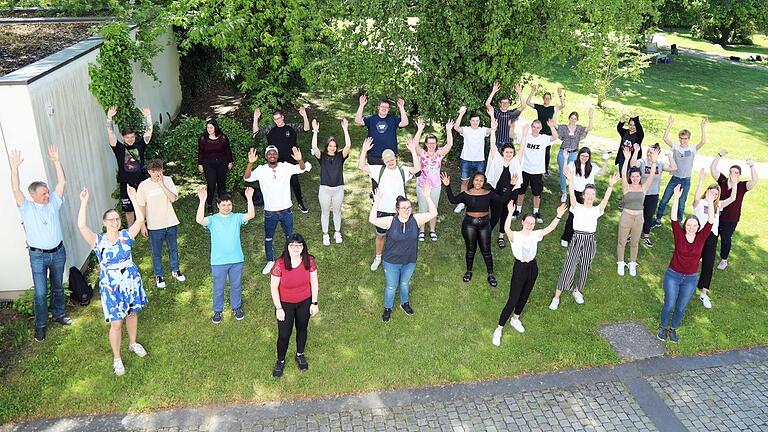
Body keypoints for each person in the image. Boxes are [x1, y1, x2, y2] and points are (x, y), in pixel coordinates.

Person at [77, 186, 147, 376]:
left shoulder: (126, 236)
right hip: (111, 287)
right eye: (111, 219)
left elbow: (140, 219)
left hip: (130, 281)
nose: (115, 221)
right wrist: (83, 203)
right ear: (104, 222)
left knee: (132, 314)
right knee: (116, 323)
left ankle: (133, 343)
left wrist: (133, 198)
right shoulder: (97, 241)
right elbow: (82, 226)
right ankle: (117, 358)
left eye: (117, 218)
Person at [9, 146, 72, 342]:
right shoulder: (26, 207)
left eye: (47, 192)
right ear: (34, 195)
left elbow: (62, 182)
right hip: (38, 256)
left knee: (57, 287)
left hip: (58, 252)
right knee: (40, 292)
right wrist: (14, 168)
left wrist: (56, 161)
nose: (48, 195)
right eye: (44, 193)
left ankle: (59, 315)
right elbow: (15, 189)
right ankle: (41, 325)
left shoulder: (53, 202)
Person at [492, 203, 567, 345]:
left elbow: (550, 228)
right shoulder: (516, 235)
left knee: (525, 295)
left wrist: (558, 215)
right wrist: (509, 212)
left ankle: (515, 319)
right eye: (527, 222)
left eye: (532, 223)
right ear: (522, 222)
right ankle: (499, 330)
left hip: (532, 267)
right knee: (512, 300)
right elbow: (506, 228)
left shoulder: (535, 234)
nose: (530, 225)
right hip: (519, 267)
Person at [550, 168, 620, 310]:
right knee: (569, 267)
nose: (589, 196)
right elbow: (571, 195)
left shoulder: (597, 210)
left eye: (592, 194)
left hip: (590, 241)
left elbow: (605, 200)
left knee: (584, 268)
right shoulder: (577, 207)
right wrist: (570, 181)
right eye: (587, 193)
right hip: (577, 239)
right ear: (583, 195)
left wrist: (610, 186)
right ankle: (556, 297)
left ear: (594, 197)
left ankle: (577, 291)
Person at [657, 185, 715, 344]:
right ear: (685, 226)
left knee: (681, 307)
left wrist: (710, 203)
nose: (691, 227)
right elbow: (674, 218)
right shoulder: (679, 235)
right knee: (669, 304)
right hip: (673, 275)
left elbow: (710, 221)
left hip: (690, 279)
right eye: (688, 225)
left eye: (694, 225)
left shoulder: (701, 237)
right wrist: (676, 198)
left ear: (698, 227)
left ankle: (673, 329)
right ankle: (663, 326)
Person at [369, 189, 437, 321]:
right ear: (397, 209)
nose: (407, 210)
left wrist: (428, 196)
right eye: (404, 208)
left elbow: (434, 213)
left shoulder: (416, 219)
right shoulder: (390, 221)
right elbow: (372, 219)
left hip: (409, 260)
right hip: (391, 261)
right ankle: (387, 308)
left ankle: (404, 303)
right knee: (391, 286)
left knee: (405, 283)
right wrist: (376, 203)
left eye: (409, 207)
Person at [244, 145, 312, 275]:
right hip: (270, 212)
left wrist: (299, 159)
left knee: (290, 237)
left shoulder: (285, 167)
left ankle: (291, 259)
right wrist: (250, 163)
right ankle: (270, 261)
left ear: (277, 155)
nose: (272, 155)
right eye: (269, 154)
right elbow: (247, 177)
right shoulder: (261, 170)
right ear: (266, 156)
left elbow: (303, 169)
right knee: (269, 238)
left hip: (286, 210)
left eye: (274, 153)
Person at [358, 136, 421, 271]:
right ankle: (378, 257)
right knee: (380, 236)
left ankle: (399, 257)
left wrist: (413, 151)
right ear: (384, 161)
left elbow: (417, 168)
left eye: (392, 160)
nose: (390, 162)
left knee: (399, 238)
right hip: (382, 210)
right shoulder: (379, 170)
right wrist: (364, 150)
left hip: (399, 212)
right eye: (387, 161)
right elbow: (361, 166)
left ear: (396, 159)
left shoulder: (402, 170)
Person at [196, 187, 256, 324]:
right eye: (223, 205)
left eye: (229, 204)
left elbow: (251, 215)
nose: (226, 207)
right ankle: (217, 311)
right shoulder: (212, 220)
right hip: (218, 261)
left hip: (237, 259)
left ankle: (237, 308)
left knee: (236, 285)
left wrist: (249, 198)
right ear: (218, 205)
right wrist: (202, 201)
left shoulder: (236, 218)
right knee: (219, 287)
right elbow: (199, 220)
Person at [270, 233, 319, 377]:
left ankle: (300, 354)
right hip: (285, 304)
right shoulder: (279, 263)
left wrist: (314, 302)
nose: (295, 248)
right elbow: (273, 287)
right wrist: (278, 308)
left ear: (303, 247)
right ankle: (280, 361)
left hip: (305, 301)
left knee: (302, 329)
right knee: (284, 334)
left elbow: (314, 283)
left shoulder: (309, 261)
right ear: (287, 247)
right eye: (292, 245)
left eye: (299, 245)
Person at [135, 159, 185, 288]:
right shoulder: (143, 186)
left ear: (162, 169)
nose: (156, 173)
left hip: (170, 221)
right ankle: (159, 275)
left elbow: (173, 199)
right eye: (153, 171)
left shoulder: (168, 180)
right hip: (154, 225)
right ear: (149, 172)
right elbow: (141, 206)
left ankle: (176, 270)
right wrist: (142, 224)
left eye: (159, 170)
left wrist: (162, 184)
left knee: (173, 248)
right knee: (156, 251)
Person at [252, 106, 311, 213]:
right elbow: (256, 132)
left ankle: (300, 203)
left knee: (294, 181)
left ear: (282, 117)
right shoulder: (270, 129)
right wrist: (256, 118)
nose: (277, 121)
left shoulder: (291, 127)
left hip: (291, 161)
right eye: (275, 119)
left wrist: (304, 115)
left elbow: (306, 129)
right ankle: (278, 205)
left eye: (279, 118)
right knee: (277, 184)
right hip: (276, 163)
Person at [692, 169, 736, 309]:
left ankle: (703, 292)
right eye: (712, 192)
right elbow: (696, 197)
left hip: (711, 236)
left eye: (717, 194)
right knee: (692, 260)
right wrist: (700, 180)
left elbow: (732, 199)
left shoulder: (718, 205)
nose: (714, 195)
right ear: (707, 191)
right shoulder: (700, 202)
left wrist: (734, 184)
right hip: (698, 234)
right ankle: (685, 282)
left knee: (708, 264)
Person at [653, 116, 708, 225]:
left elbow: (703, 141)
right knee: (664, 200)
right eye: (681, 138)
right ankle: (658, 219)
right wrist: (670, 124)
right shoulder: (676, 147)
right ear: (679, 138)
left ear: (689, 139)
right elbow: (665, 138)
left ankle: (678, 222)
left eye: (685, 138)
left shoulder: (692, 149)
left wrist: (702, 127)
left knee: (682, 203)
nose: (683, 140)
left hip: (686, 181)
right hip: (675, 179)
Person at [709, 149, 759, 270]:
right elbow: (712, 168)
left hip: (731, 218)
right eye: (731, 172)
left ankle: (724, 260)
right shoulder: (722, 181)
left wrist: (751, 165)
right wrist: (719, 155)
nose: (733, 174)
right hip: (717, 214)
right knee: (712, 235)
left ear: (739, 175)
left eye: (736, 173)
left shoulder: (742, 186)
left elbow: (755, 180)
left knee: (725, 239)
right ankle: (707, 254)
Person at [106, 105, 153, 227]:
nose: (130, 139)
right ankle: (132, 230)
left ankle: (147, 225)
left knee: (144, 205)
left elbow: (149, 133)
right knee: (128, 210)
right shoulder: (119, 148)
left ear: (135, 136)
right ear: (123, 137)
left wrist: (148, 116)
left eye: (132, 137)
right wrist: (109, 119)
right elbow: (110, 134)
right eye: (127, 137)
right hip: (125, 184)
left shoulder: (139, 146)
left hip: (141, 182)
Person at [355, 95, 410, 192]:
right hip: (374, 155)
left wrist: (401, 107)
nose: (384, 109)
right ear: (378, 108)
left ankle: (392, 201)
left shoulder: (393, 119)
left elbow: (405, 123)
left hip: (390, 156)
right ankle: (376, 203)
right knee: (376, 181)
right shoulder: (371, 119)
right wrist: (361, 105)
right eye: (382, 107)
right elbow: (358, 121)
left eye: (386, 107)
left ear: (389, 109)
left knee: (391, 179)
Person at [310, 118, 352, 246]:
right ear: (327, 146)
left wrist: (345, 129)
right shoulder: (322, 156)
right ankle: (325, 234)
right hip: (325, 189)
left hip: (338, 189)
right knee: (325, 212)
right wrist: (315, 131)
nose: (332, 148)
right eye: (330, 146)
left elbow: (348, 146)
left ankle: (337, 232)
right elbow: (314, 147)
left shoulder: (340, 156)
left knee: (337, 211)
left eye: (334, 146)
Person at [616, 147, 657, 277]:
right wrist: (627, 159)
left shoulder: (643, 187)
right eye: (633, 176)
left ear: (640, 177)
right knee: (622, 241)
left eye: (637, 176)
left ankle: (632, 263)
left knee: (634, 243)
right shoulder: (626, 187)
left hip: (639, 219)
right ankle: (621, 262)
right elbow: (623, 174)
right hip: (626, 217)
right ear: (630, 177)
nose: (635, 178)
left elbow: (651, 176)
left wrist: (654, 162)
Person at [413, 117, 454, 241]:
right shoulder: (421, 153)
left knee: (433, 208)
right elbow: (414, 144)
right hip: (421, 185)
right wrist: (420, 130)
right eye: (429, 143)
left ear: (436, 144)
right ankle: (421, 231)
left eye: (433, 143)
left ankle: (432, 230)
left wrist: (448, 130)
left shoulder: (439, 153)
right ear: (425, 144)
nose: (431, 145)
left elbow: (450, 144)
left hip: (435, 185)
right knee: (422, 208)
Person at [630, 143, 677, 248]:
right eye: (648, 151)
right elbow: (633, 164)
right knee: (635, 214)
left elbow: (674, 167)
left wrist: (669, 155)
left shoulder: (660, 164)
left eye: (651, 152)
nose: (649, 154)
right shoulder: (642, 162)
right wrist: (636, 151)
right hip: (641, 193)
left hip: (653, 195)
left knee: (648, 215)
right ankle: (631, 233)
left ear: (657, 153)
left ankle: (646, 236)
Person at [486, 120, 524, 247]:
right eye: (506, 152)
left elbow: (522, 148)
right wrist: (493, 130)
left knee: (506, 214)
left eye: (511, 152)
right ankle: (487, 233)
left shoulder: (515, 162)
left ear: (513, 153)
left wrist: (524, 135)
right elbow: (492, 145)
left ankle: (501, 236)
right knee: (495, 215)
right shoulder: (497, 159)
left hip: (511, 193)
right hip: (496, 193)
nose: (509, 154)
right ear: (503, 152)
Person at [512, 119, 559, 223]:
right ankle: (517, 210)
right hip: (524, 169)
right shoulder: (526, 136)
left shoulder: (543, 138)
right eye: (534, 127)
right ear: (531, 127)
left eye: (538, 127)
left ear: (541, 128)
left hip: (537, 171)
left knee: (537, 193)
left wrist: (551, 126)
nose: (536, 129)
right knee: (521, 191)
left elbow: (555, 137)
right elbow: (512, 135)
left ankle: (536, 212)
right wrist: (512, 126)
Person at [559, 147, 602, 247]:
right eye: (582, 155)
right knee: (572, 215)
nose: (584, 158)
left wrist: (606, 160)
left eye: (587, 156)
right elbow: (565, 172)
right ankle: (566, 237)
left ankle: (580, 238)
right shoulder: (573, 164)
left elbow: (602, 172)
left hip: (587, 195)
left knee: (585, 216)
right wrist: (565, 159)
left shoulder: (592, 166)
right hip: (575, 193)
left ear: (589, 157)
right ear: (579, 155)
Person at [452, 106, 491, 213]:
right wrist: (461, 114)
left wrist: (492, 115)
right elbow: (456, 127)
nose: (475, 122)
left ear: (479, 121)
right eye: (473, 121)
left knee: (479, 182)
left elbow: (493, 129)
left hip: (479, 161)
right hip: (466, 160)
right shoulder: (466, 129)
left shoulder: (483, 130)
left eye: (477, 121)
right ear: (470, 121)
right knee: (464, 182)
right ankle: (461, 203)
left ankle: (476, 201)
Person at [555, 108, 594, 202]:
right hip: (563, 152)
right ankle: (564, 192)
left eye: (575, 118)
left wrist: (591, 117)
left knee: (574, 174)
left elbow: (589, 128)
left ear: (577, 120)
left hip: (574, 154)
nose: (573, 120)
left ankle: (572, 190)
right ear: (569, 118)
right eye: (572, 118)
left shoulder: (579, 128)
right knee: (563, 173)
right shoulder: (564, 127)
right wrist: (556, 112)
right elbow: (554, 125)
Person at [525, 84, 565, 175]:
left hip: (548, 133)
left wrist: (560, 94)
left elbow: (563, 105)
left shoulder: (553, 108)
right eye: (545, 98)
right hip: (539, 132)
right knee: (536, 150)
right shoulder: (539, 107)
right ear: (543, 98)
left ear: (550, 99)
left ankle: (545, 170)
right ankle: (534, 166)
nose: (547, 99)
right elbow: (528, 102)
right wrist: (532, 91)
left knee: (546, 152)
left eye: (548, 98)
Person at [197, 118, 234, 213]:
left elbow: (227, 150)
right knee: (211, 185)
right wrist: (200, 164)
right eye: (208, 128)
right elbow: (201, 152)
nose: (209, 129)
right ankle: (209, 203)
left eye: (211, 127)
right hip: (208, 164)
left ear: (215, 128)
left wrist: (230, 161)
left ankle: (223, 203)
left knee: (222, 184)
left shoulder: (223, 138)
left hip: (222, 162)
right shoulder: (203, 139)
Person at [484, 82, 525, 150]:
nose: (504, 104)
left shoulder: (512, 113)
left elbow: (523, 106)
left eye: (506, 103)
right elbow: (487, 104)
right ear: (500, 103)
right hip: (497, 142)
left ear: (509, 104)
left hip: (508, 143)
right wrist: (493, 91)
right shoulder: (496, 112)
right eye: (503, 102)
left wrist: (519, 92)